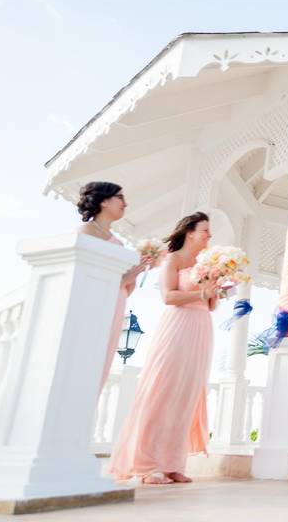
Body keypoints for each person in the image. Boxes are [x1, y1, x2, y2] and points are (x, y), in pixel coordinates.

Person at [110, 212, 220, 485]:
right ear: (190, 232)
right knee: (163, 391)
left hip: (201, 326)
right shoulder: (172, 260)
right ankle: (147, 465)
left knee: (187, 394)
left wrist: (214, 288)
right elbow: (169, 297)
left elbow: (211, 305)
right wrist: (201, 293)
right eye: (205, 230)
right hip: (177, 325)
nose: (209, 235)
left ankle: (172, 463)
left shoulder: (207, 264)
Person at [75, 181, 151, 392]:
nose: (125, 204)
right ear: (104, 201)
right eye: (120, 198)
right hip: (93, 304)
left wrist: (136, 273)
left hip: (116, 303)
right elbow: (85, 276)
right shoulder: (85, 231)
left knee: (103, 356)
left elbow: (126, 287)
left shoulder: (118, 243)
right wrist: (127, 276)